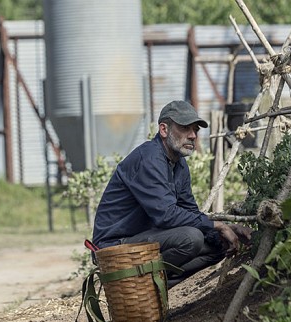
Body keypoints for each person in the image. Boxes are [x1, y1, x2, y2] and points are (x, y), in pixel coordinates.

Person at [92, 100, 251, 287]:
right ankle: (141, 284)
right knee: (190, 238)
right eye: (185, 128)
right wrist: (216, 225)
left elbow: (190, 212)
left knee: (218, 245)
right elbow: (166, 216)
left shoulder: (179, 164)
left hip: (144, 239)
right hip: (113, 246)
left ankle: (155, 289)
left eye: (195, 130)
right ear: (164, 130)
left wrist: (228, 229)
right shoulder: (149, 159)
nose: (193, 136)